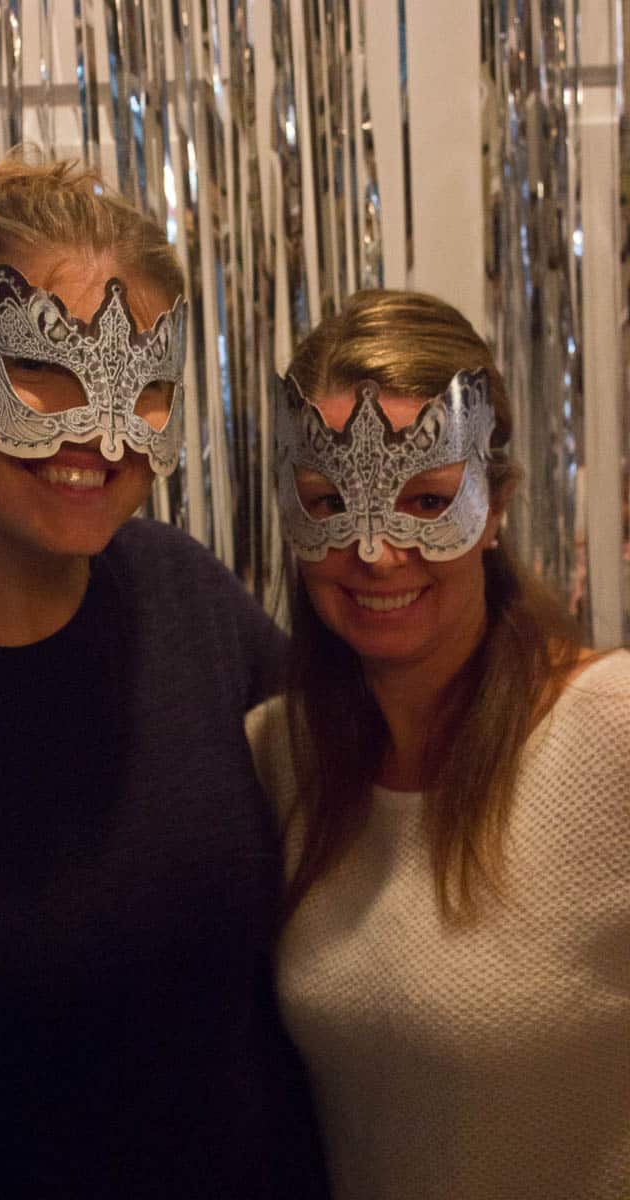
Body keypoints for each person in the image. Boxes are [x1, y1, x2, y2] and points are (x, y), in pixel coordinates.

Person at [0, 157, 329, 1200]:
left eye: (142, 385)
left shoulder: (182, 594)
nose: (101, 431)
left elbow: (368, 790)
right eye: (42, 372)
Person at [246, 289, 630, 1200]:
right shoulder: (281, 755)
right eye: (330, 501)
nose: (376, 552)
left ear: (493, 508)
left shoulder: (613, 733)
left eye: (425, 500)